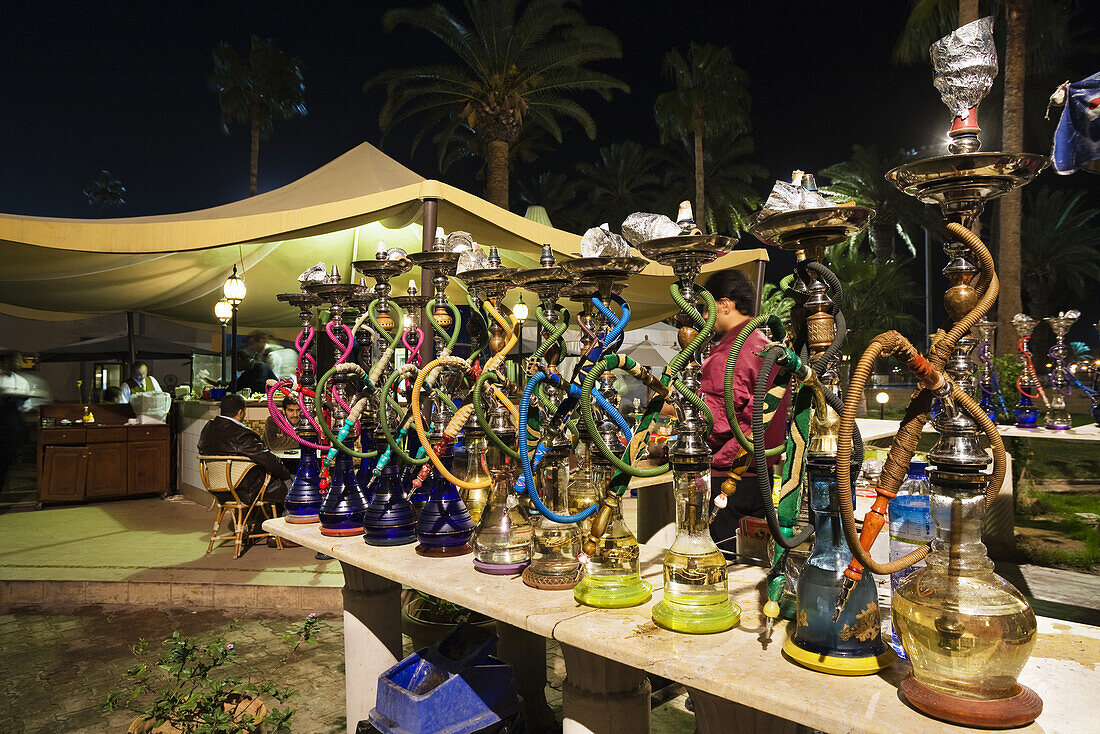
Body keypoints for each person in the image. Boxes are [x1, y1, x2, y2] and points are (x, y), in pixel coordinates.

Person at [697, 270, 791, 557]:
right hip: (761, 473)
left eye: (705, 308)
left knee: (719, 562)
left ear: (725, 305)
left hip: (728, 474)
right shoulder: (765, 344)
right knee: (756, 561)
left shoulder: (731, 352)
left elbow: (716, 421)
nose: (703, 317)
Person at [197, 394, 290, 507]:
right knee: (293, 484)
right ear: (241, 412)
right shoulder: (241, 434)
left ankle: (254, 520)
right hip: (246, 490)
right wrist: (286, 473)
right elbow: (267, 459)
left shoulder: (207, 429)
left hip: (218, 488)